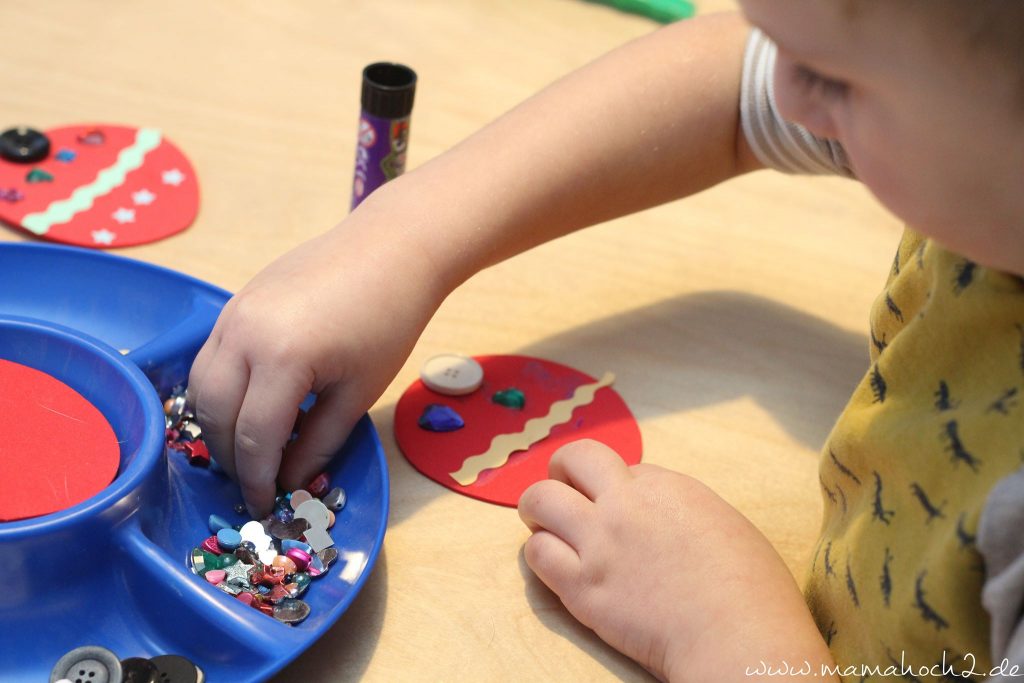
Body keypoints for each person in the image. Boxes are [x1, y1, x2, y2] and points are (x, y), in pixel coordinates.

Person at [188, 1, 1024, 680]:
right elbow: (734, 81)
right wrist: (400, 241)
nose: (791, 93)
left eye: (834, 80)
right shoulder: (978, 140)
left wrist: (726, 634)